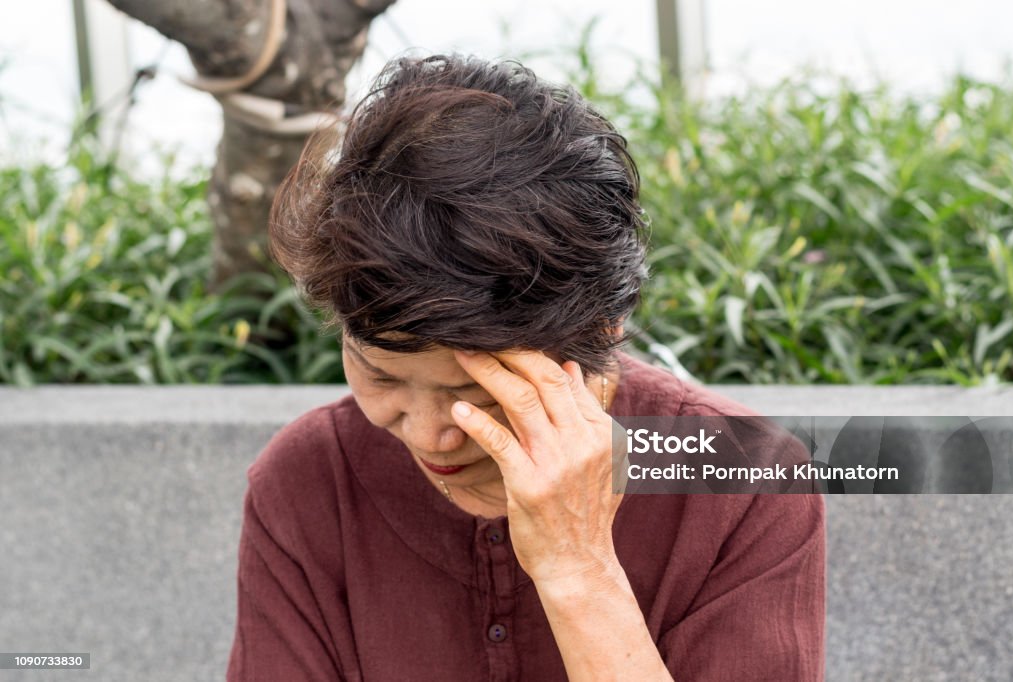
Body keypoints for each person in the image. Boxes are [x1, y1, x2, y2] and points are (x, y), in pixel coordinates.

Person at [226, 54, 825, 681]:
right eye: (381, 375)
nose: (431, 434)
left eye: (478, 394)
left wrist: (578, 568)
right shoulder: (310, 481)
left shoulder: (745, 480)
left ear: (601, 329)